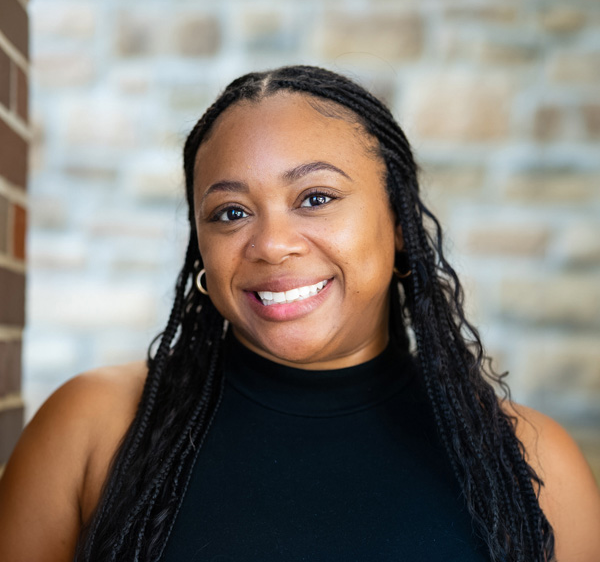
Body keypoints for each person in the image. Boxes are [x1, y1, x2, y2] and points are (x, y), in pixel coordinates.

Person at [0, 66, 598, 562]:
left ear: (398, 227)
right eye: (230, 212)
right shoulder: (92, 426)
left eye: (315, 198)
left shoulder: (534, 464)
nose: (270, 244)